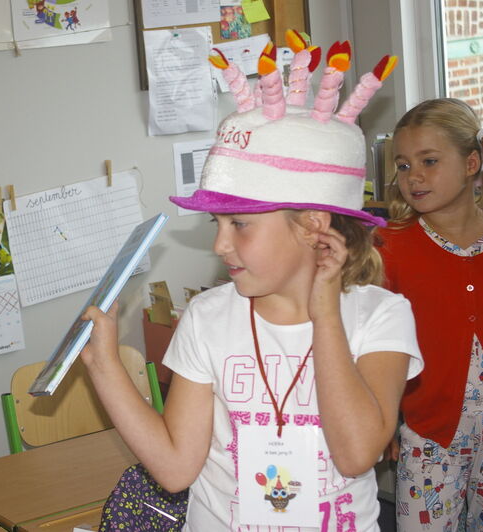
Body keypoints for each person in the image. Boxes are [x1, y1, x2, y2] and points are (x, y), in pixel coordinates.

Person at [81, 40, 423, 531]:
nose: (220, 244)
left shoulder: (382, 316)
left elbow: (355, 454)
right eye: (217, 224)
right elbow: (175, 470)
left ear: (313, 226)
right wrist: (105, 365)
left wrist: (325, 315)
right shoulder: (208, 317)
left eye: (239, 224)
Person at [377, 98, 483, 531]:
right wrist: (383, 420)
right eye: (403, 165)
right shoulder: (389, 247)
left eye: (429, 161)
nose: (413, 176)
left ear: (472, 163)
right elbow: (376, 346)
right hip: (430, 431)